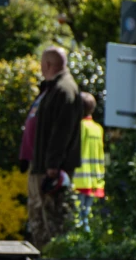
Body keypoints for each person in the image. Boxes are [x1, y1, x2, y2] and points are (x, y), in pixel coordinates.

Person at [25, 47, 83, 247]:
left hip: (50, 168)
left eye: (42, 64)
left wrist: (53, 165)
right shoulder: (52, 88)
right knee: (38, 212)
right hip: (40, 163)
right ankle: (42, 255)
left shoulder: (64, 90)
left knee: (50, 214)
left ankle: (50, 255)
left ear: (48, 65)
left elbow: (62, 131)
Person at [72, 92, 104, 233]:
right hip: (94, 180)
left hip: (78, 180)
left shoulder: (78, 127)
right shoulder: (97, 129)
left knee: (76, 220)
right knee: (87, 217)